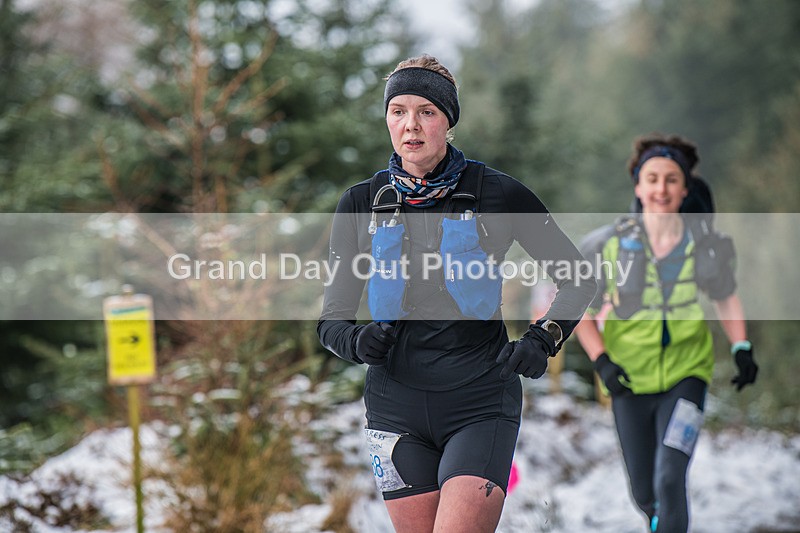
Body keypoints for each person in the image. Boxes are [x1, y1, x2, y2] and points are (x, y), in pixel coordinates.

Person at [317, 54, 597, 532]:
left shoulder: (500, 195)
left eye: (426, 111)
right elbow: (332, 321)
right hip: (394, 404)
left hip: (480, 399)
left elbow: (579, 277)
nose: (411, 125)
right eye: (398, 111)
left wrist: (542, 338)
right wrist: (355, 341)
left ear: (448, 121)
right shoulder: (361, 203)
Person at [574, 133, 759, 533]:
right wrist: (602, 362)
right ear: (638, 187)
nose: (661, 188)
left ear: (685, 188)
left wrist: (741, 346)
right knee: (644, 492)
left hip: (686, 376)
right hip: (626, 380)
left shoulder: (705, 246)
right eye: (652, 178)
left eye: (671, 179)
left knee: (671, 478)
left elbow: (726, 297)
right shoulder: (608, 246)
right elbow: (576, 309)